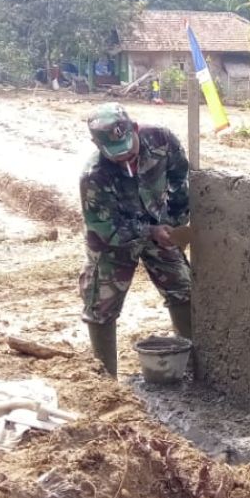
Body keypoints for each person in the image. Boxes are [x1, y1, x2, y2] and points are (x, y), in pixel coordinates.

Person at [80, 103, 193, 377]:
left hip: (158, 224)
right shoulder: (94, 176)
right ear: (97, 145)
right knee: (101, 305)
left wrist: (176, 224)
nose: (125, 158)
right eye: (116, 155)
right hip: (113, 242)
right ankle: (107, 382)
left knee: (184, 288)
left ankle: (190, 366)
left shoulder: (162, 140)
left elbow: (180, 178)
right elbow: (107, 227)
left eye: (129, 149)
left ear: (135, 129)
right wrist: (149, 232)